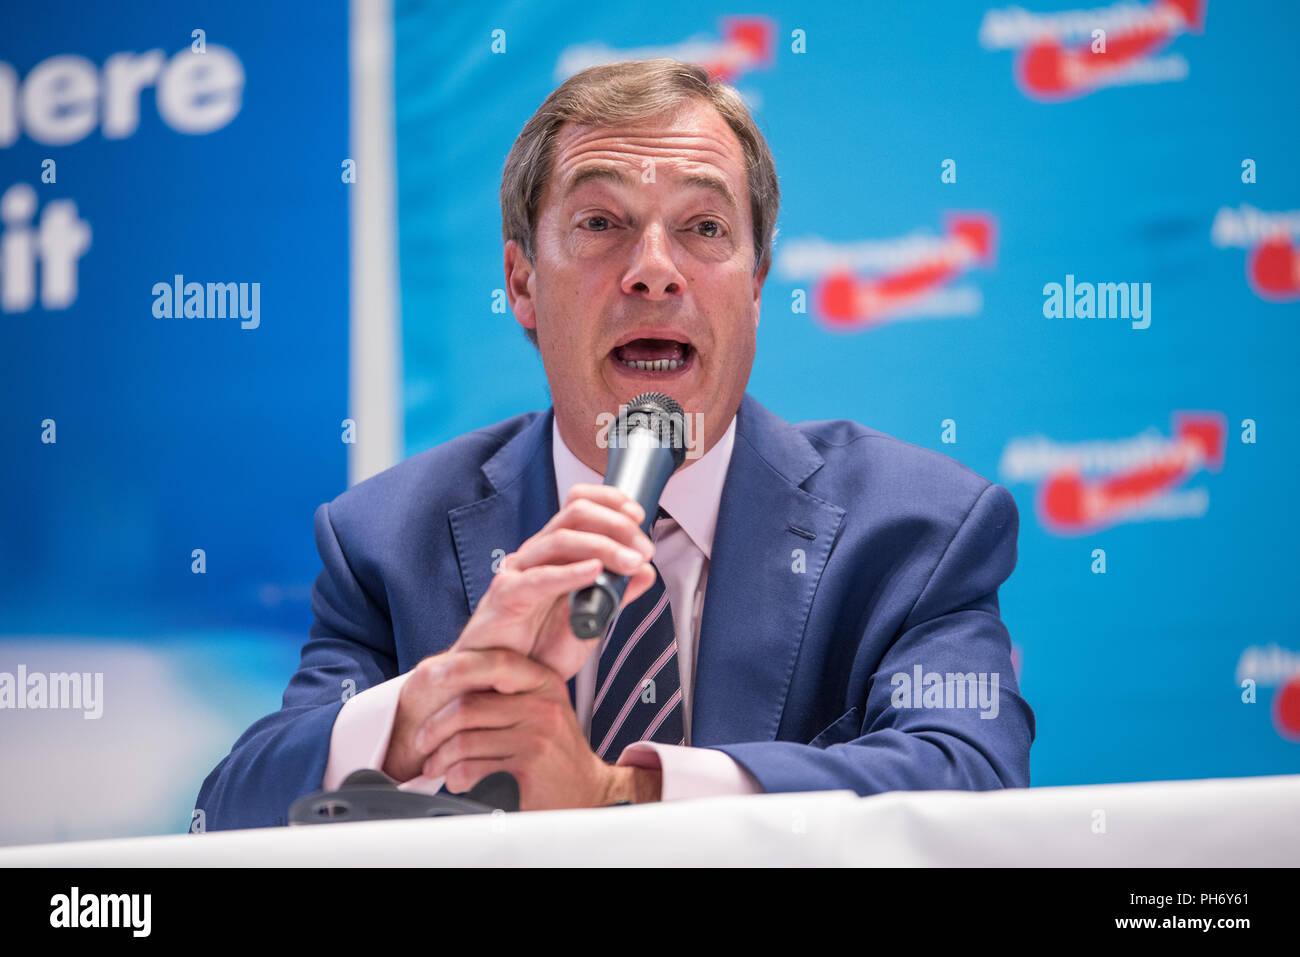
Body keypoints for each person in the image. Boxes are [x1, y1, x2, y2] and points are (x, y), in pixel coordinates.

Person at [195, 57, 1034, 829]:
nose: (655, 269)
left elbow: (971, 781)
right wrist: (428, 709)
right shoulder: (385, 541)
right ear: (522, 284)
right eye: (601, 222)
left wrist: (619, 794)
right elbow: (231, 813)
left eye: (705, 228)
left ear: (756, 284)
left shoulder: (916, 532)